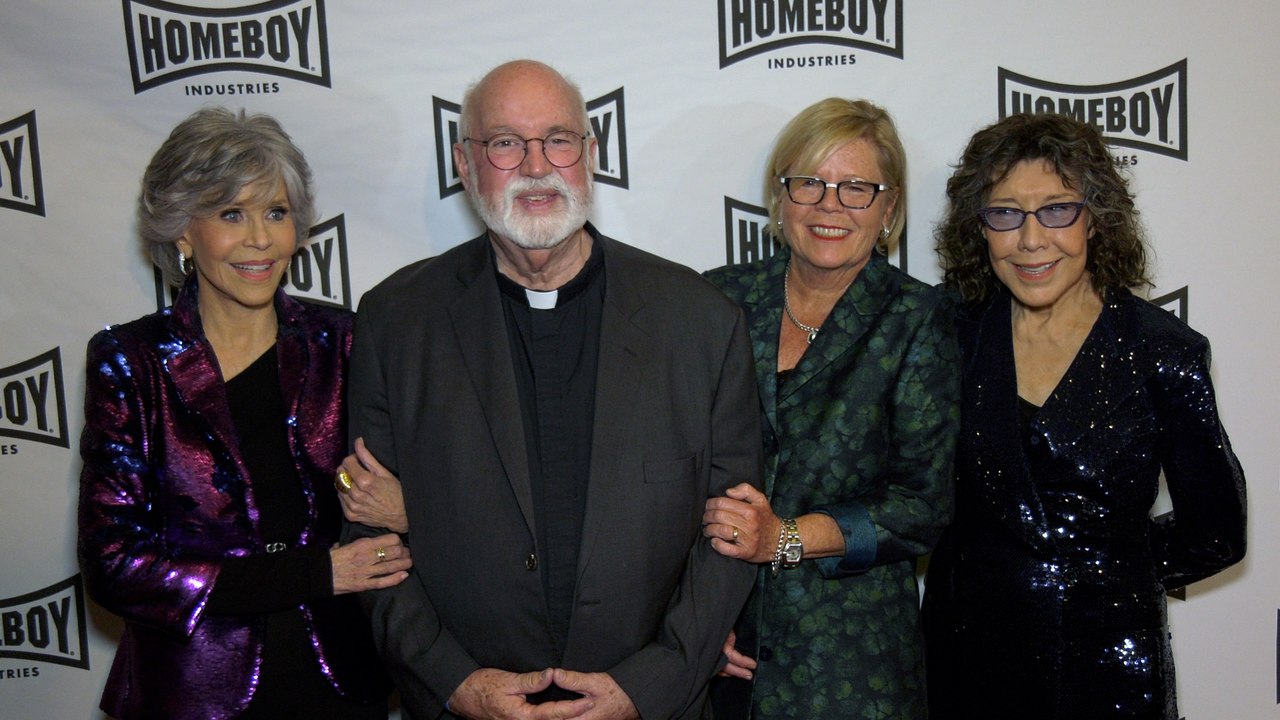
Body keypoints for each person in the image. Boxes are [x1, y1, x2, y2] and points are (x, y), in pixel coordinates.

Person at [342, 59, 763, 720]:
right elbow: (367, 539)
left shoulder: (700, 320)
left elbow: (735, 534)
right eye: (505, 143)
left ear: (590, 155)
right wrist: (454, 681)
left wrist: (648, 685)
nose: (536, 165)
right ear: (465, 162)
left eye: (559, 140)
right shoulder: (397, 319)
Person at [78, 107, 411, 720]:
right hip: (190, 691)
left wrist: (405, 504)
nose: (260, 238)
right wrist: (311, 574)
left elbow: (408, 497)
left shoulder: (346, 341)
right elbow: (114, 563)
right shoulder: (130, 362)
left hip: (341, 684)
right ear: (182, 231)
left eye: (276, 213)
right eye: (232, 214)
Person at [922, 112, 1247, 719]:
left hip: (1110, 674)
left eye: (1056, 210)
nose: (1031, 239)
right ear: (981, 228)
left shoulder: (1164, 350)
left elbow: (1217, 532)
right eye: (1005, 214)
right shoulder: (949, 338)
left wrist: (1104, 565)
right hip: (967, 663)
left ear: (1095, 218)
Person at [700, 97, 961, 718]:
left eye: (856, 188)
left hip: (853, 665)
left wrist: (783, 538)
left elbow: (923, 507)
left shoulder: (917, 320)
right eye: (810, 183)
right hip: (719, 645)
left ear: (889, 207)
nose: (829, 206)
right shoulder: (715, 300)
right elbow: (664, 473)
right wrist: (686, 628)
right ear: (780, 196)